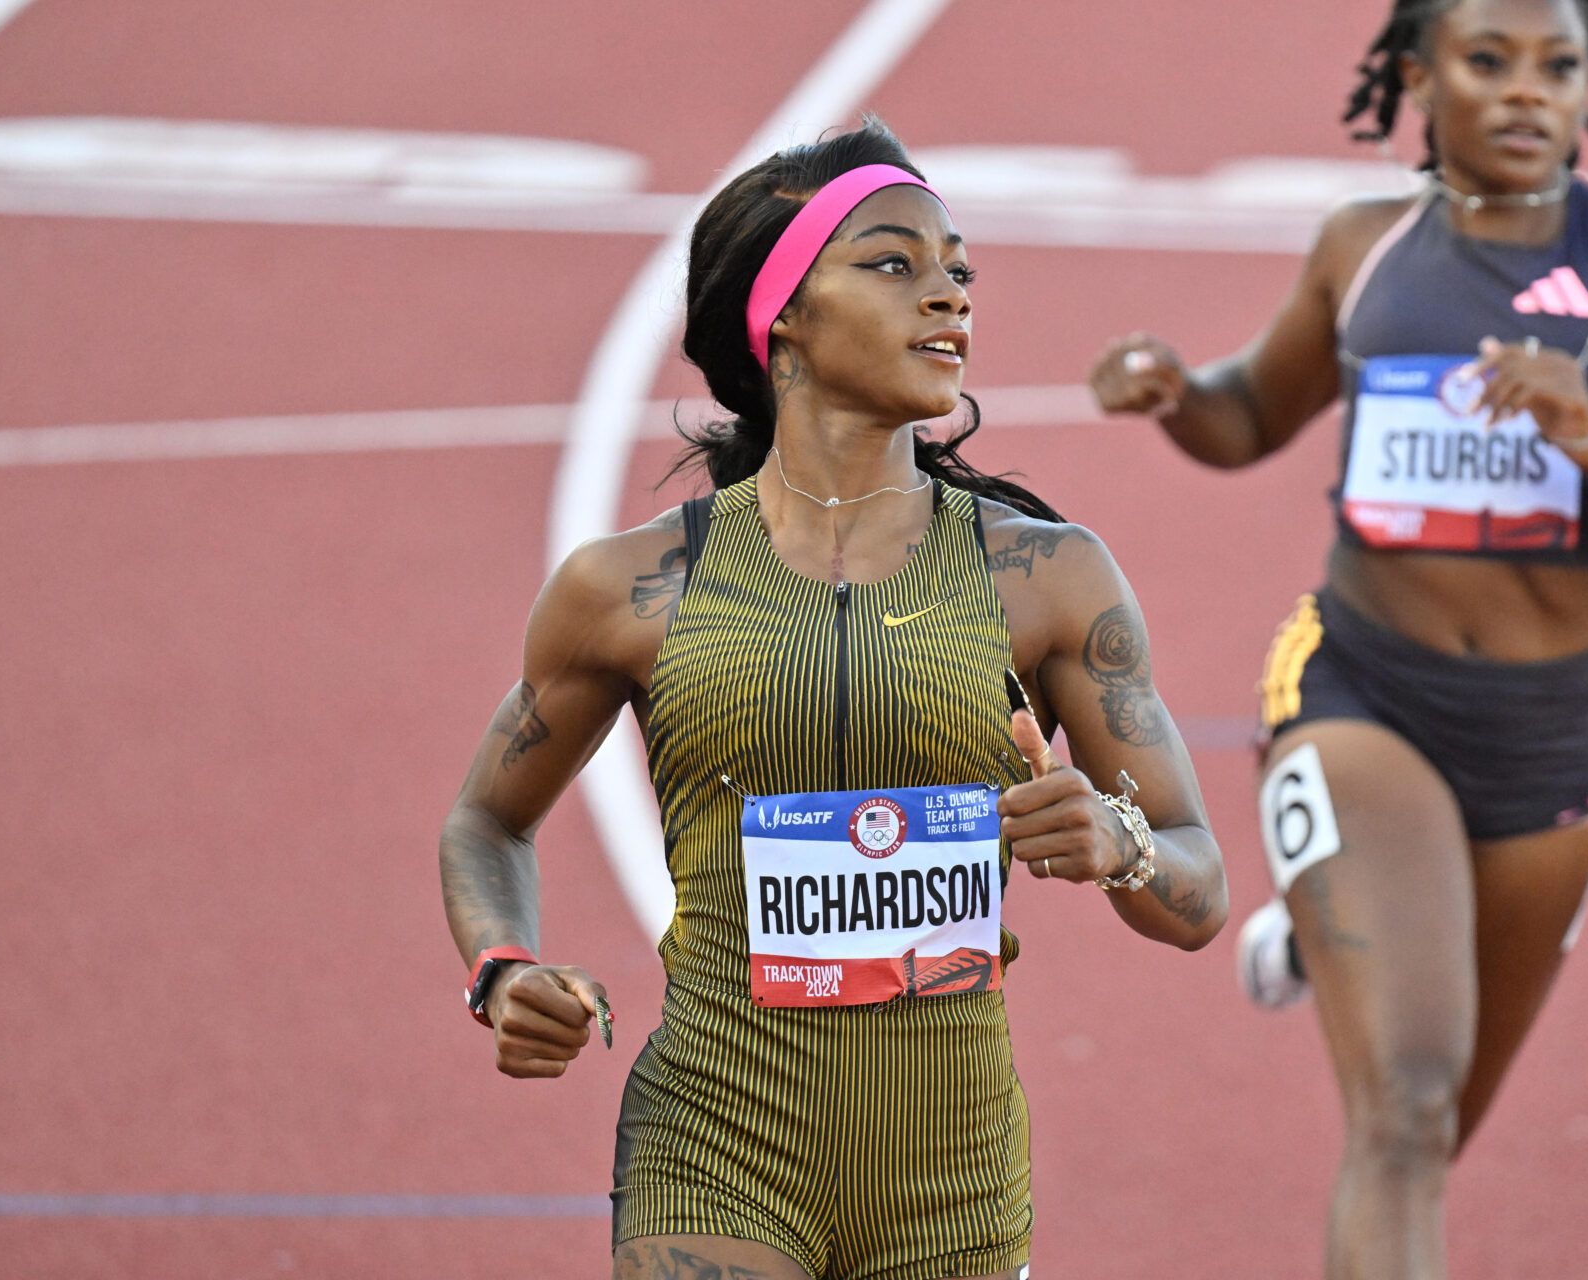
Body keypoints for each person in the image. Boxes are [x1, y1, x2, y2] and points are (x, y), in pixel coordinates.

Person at [1088, 1, 1588, 1275]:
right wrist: (1176, 395)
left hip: (1549, 733)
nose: (1531, 92)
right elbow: (1250, 415)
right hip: (1364, 691)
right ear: (1419, 79)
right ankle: (1349, 900)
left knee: (1438, 1127)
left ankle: (1333, 931)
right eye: (1490, 62)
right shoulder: (1364, 246)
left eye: (1560, 66)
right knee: (1406, 1116)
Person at [439, 116, 1227, 1280]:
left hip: (951, 1177)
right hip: (715, 1146)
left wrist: (1121, 843)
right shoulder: (631, 588)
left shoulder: (1049, 577)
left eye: (959, 270)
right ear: (784, 316)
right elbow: (487, 818)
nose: (948, 295)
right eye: (895, 263)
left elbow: (1198, 885)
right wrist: (503, 965)